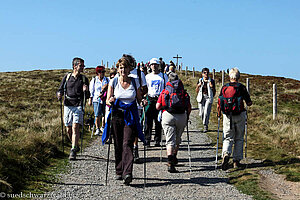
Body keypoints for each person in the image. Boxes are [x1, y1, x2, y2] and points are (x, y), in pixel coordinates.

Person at [104, 56, 147, 185]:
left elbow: (139, 98)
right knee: (117, 143)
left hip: (131, 115)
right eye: (121, 68)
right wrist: (110, 101)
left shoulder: (134, 82)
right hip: (117, 114)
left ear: (129, 69)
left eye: (125, 68)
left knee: (127, 142)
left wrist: (143, 101)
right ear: (118, 69)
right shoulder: (114, 81)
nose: (123, 70)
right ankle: (119, 170)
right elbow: (107, 99)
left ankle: (127, 172)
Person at [217, 68, 252, 170]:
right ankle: (236, 161)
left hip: (227, 116)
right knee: (239, 138)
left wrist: (219, 113)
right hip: (240, 115)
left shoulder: (224, 87)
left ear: (229, 76)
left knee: (227, 137)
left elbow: (220, 102)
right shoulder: (241, 87)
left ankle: (226, 154)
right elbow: (249, 102)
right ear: (239, 77)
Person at [156, 72, 191, 173]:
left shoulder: (165, 91)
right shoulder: (183, 92)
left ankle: (170, 162)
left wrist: (163, 107)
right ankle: (174, 156)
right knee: (177, 138)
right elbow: (188, 107)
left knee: (169, 140)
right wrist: (187, 117)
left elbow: (157, 106)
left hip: (168, 116)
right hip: (181, 116)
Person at [57, 57, 90, 160]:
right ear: (74, 66)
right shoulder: (67, 77)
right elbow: (61, 89)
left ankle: (73, 150)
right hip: (67, 104)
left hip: (79, 104)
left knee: (76, 127)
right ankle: (75, 145)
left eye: (83, 66)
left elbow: (88, 95)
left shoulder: (84, 79)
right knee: (68, 128)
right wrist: (59, 94)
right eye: (81, 66)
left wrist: (86, 90)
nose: (83, 68)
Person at [144, 58, 168, 147]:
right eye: (152, 65)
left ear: (159, 66)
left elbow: (167, 87)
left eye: (156, 65)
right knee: (148, 121)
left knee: (159, 121)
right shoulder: (148, 77)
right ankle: (147, 139)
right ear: (150, 66)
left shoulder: (163, 76)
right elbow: (145, 88)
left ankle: (157, 139)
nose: (154, 66)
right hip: (150, 98)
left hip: (160, 99)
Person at [88, 66, 109, 135]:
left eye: (104, 72)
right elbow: (91, 91)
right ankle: (97, 128)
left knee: (104, 114)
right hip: (96, 99)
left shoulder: (107, 80)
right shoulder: (94, 80)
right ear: (98, 73)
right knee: (97, 114)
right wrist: (90, 99)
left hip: (105, 99)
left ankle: (102, 127)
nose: (103, 73)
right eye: (101, 72)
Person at [196, 68, 216, 133]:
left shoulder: (211, 81)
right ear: (202, 74)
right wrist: (198, 86)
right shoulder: (200, 80)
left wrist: (211, 86)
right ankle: (204, 122)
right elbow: (196, 90)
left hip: (208, 97)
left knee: (206, 112)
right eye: (204, 73)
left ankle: (205, 125)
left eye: (207, 72)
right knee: (201, 113)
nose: (206, 74)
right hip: (201, 97)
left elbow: (214, 91)